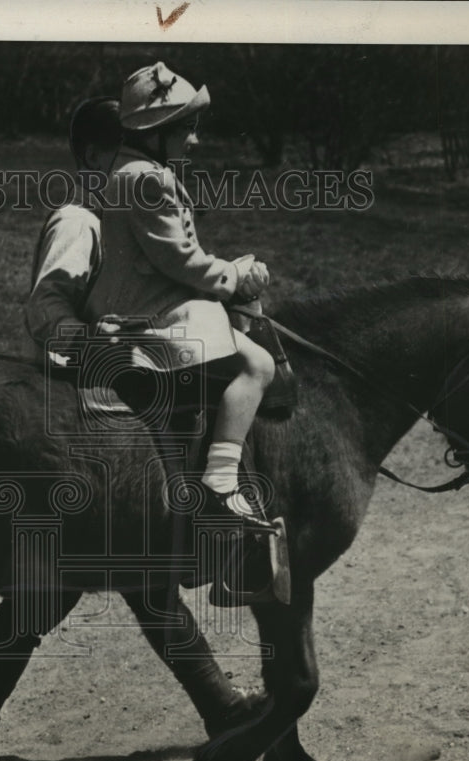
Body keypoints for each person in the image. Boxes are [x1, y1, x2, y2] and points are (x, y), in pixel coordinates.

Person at [85, 62, 275, 530]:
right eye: (187, 129)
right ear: (158, 131)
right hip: (151, 312)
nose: (194, 140)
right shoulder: (149, 179)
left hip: (149, 298)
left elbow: (176, 254)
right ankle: (222, 480)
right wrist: (233, 277)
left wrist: (230, 274)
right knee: (259, 365)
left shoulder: (133, 169)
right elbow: (181, 262)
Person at [22, 96, 122, 366]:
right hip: (62, 384)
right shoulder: (78, 222)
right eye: (126, 157)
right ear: (92, 157)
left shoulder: (110, 218)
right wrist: (85, 338)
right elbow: (45, 307)